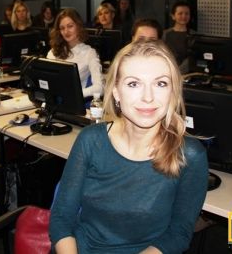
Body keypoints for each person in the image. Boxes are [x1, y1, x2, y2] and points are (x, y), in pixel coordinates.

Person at [50, 40, 208, 253]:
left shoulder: (189, 154)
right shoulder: (91, 140)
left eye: (161, 83)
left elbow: (178, 233)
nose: (148, 97)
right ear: (116, 91)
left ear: (173, 91)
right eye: (133, 84)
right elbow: (61, 218)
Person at [47, 9, 103, 99]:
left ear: (78, 26)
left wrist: (75, 94)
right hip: (52, 101)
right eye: (62, 28)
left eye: (70, 26)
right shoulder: (53, 52)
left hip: (74, 102)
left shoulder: (89, 53)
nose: (66, 31)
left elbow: (100, 88)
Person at [163, 1, 195, 73]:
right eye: (180, 13)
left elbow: (192, 58)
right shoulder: (165, 34)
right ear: (173, 16)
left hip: (187, 74)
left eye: (187, 14)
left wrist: (178, 72)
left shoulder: (194, 35)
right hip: (167, 72)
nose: (184, 16)